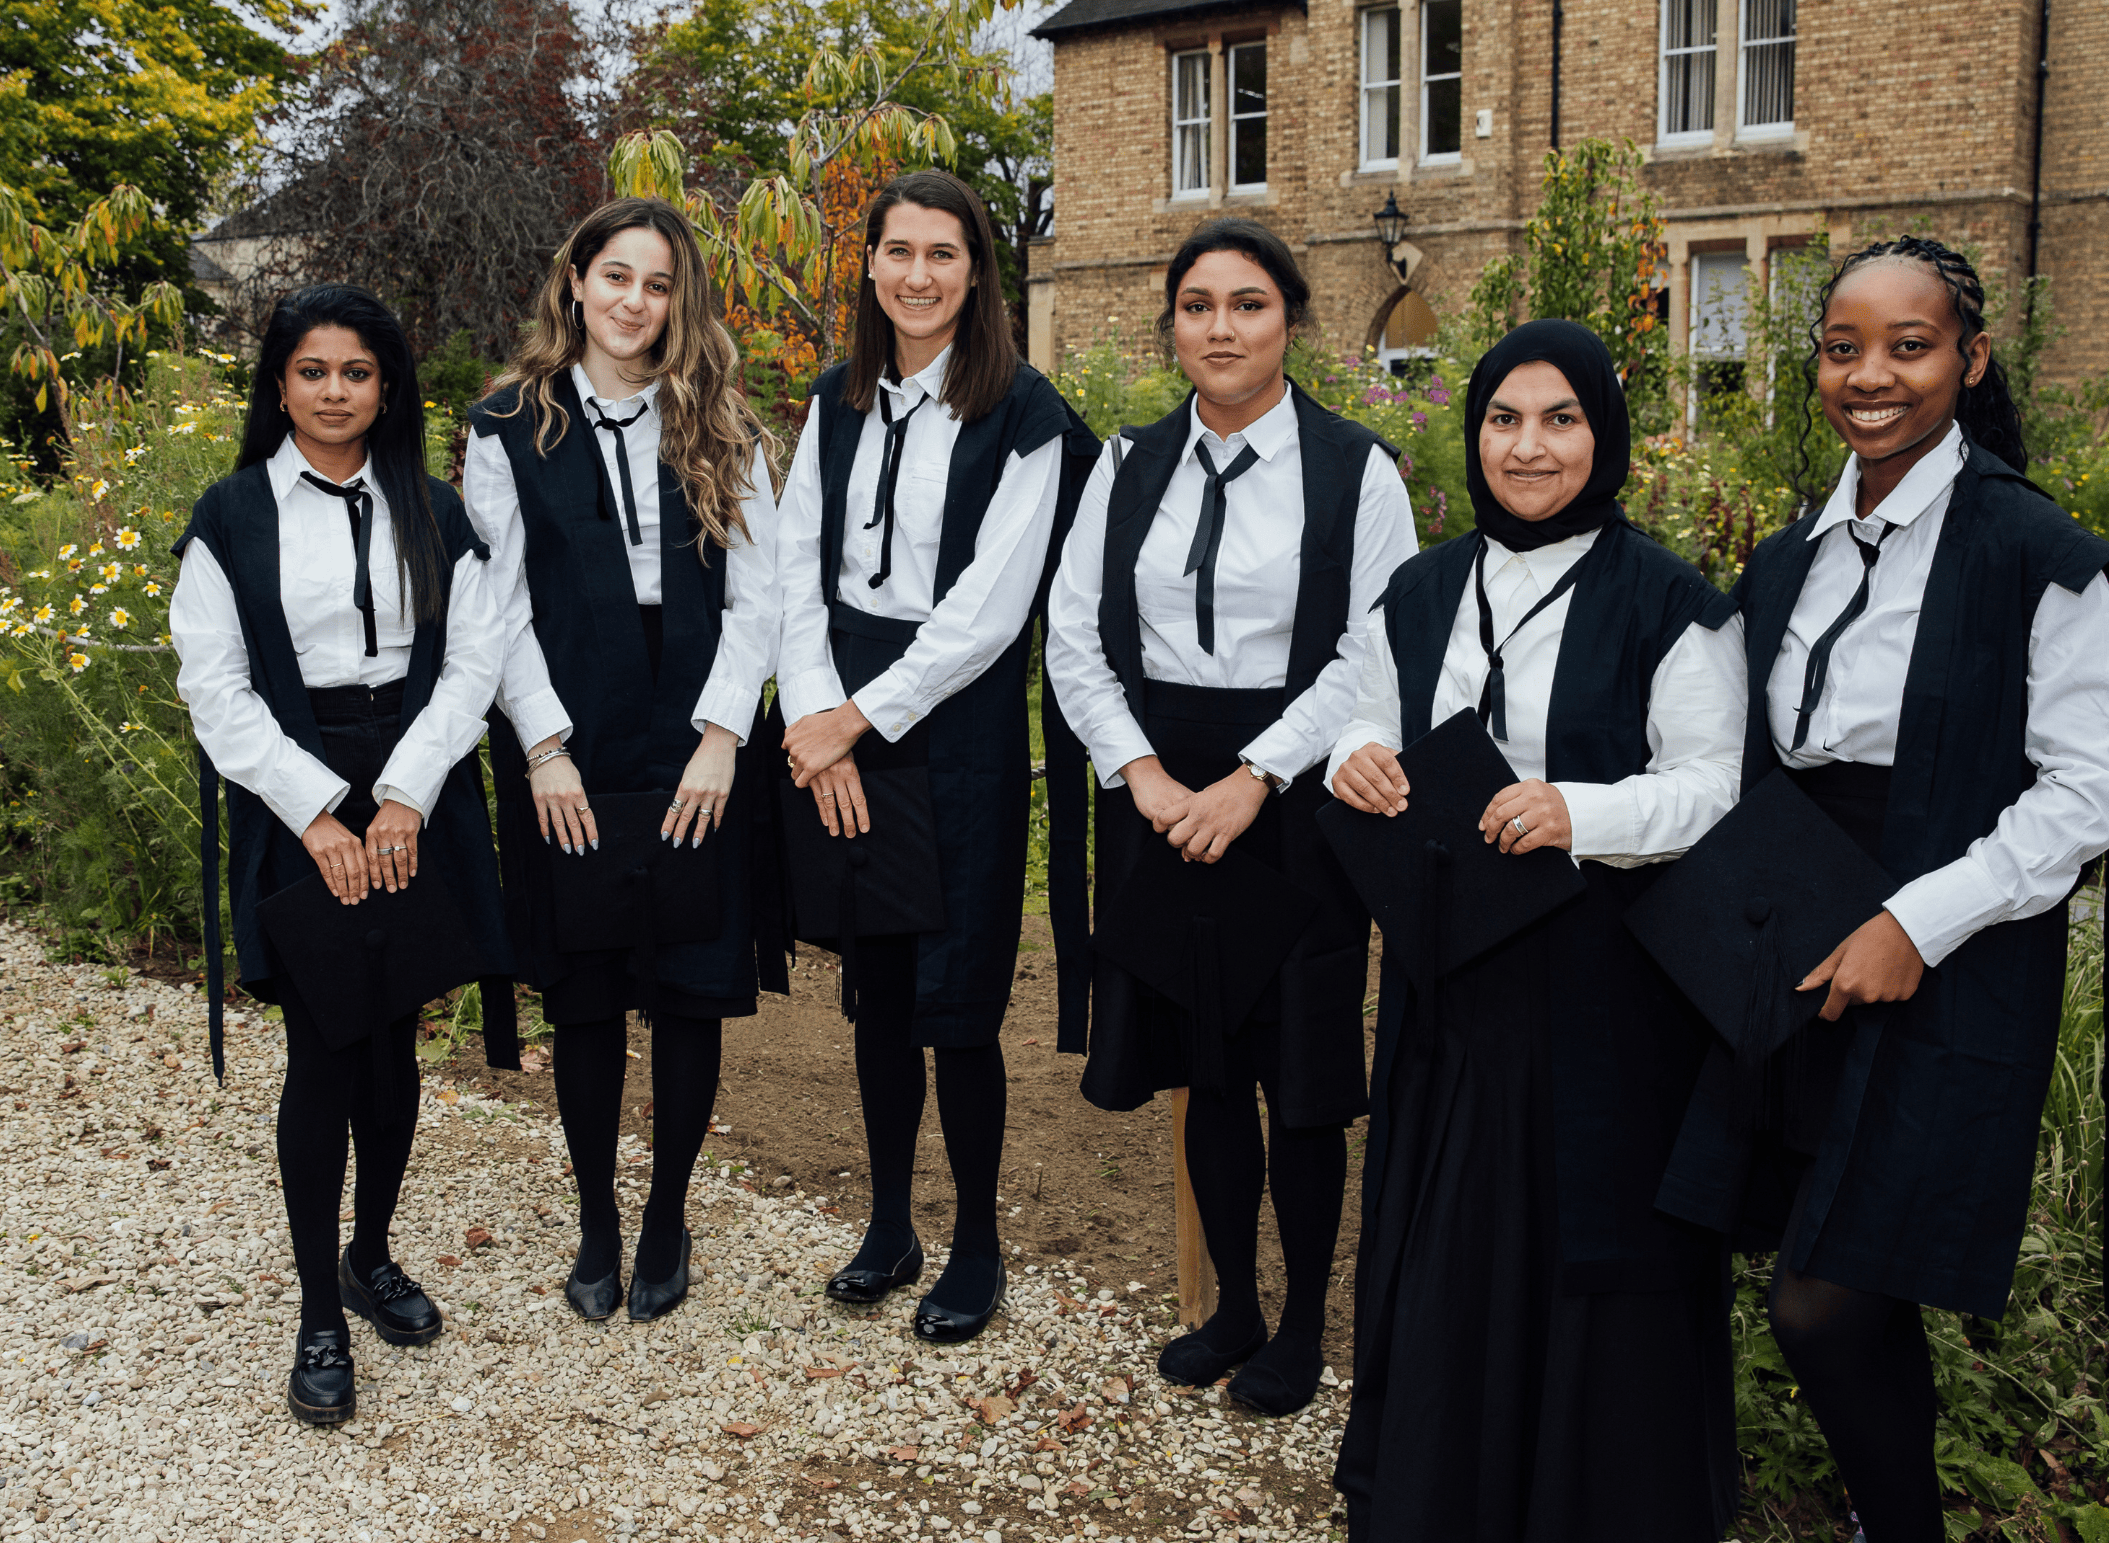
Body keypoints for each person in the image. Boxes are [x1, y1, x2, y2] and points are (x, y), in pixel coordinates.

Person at [1655, 239, 2109, 1543]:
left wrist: (1910, 922)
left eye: (1908, 345)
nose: (1869, 375)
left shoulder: (2039, 555)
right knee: (1840, 1286)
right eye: (1841, 345)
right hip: (1800, 927)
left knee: (1826, 1293)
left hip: (1949, 947)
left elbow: (2086, 793)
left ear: (1970, 360)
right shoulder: (1794, 551)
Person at [1326, 320, 1748, 1543]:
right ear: (1475, 433)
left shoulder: (1671, 600)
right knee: (1449, 1224)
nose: (1528, 444)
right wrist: (1357, 750)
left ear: (1602, 433)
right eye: (1505, 417)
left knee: (1590, 1235)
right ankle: (1438, 1510)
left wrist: (1584, 809)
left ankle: (1598, 1530)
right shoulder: (1417, 588)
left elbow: (1716, 786)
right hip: (1451, 972)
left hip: (1605, 980)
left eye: (1560, 418)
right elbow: (1357, 695)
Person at [1045, 218, 1417, 1416]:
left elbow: (1375, 651)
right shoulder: (1125, 463)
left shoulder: (1358, 469)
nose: (1220, 327)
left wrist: (1255, 775)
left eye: (1247, 304)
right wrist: (1142, 773)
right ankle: (1235, 1306)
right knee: (1203, 1070)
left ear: (1291, 322)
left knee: (1295, 1077)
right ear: (1172, 325)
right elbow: (1076, 636)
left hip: (1294, 797)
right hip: (1160, 793)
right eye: (1197, 305)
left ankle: (1305, 1323)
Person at [173, 284, 516, 1425]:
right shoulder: (229, 518)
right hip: (293, 780)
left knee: (395, 1037)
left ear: (387, 386)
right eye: (312, 371)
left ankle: (371, 1253)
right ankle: (320, 1307)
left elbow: (473, 664)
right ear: (279, 384)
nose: (333, 392)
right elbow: (214, 688)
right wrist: (319, 810)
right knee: (325, 1048)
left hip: (414, 779)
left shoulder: (433, 509)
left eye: (356, 372)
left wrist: (407, 793)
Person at [776, 170, 1098, 1343]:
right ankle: (888, 1222)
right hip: (843, 723)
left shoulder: (1026, 413)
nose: (917, 274)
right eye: (897, 251)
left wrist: (857, 719)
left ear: (977, 273)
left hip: (949, 728)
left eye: (943, 254)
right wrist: (815, 719)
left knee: (955, 1002)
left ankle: (974, 1242)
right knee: (877, 994)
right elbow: (793, 573)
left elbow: (986, 613)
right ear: (869, 266)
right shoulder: (834, 400)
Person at [469, 196, 783, 1325]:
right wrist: (544, 749)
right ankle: (599, 1215)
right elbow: (495, 611)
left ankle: (667, 1215)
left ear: (677, 302)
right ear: (576, 283)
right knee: (588, 993)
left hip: (691, 729)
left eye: (656, 285)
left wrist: (719, 736)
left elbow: (762, 597)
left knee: (690, 990)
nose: (634, 303)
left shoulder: (723, 422)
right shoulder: (507, 424)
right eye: (616, 277)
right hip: (572, 731)